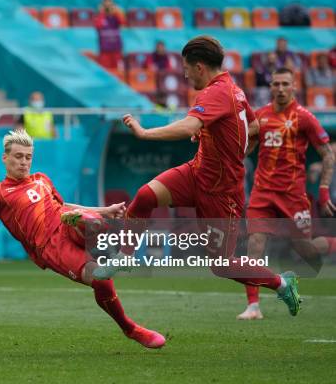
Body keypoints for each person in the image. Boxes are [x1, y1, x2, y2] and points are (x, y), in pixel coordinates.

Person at [117, 36, 302, 317]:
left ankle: (281, 283)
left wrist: (145, 133)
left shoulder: (215, 93)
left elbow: (190, 124)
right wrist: (224, 144)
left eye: (186, 67)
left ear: (200, 67)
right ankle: (124, 256)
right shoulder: (234, 90)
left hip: (222, 192)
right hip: (197, 172)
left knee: (222, 266)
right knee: (145, 196)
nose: (184, 73)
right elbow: (253, 128)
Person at [0, 129, 166, 349]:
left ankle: (114, 251)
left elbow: (63, 207)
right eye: (18, 156)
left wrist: (105, 210)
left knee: (90, 221)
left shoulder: (41, 179)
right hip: (51, 246)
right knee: (102, 280)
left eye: (28, 157)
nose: (24, 162)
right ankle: (131, 328)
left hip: (67, 224)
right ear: (5, 158)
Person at [237, 67, 335, 320]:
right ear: (269, 87)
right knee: (255, 245)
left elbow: (327, 154)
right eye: (275, 84)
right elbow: (246, 149)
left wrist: (323, 191)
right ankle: (253, 306)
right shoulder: (261, 116)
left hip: (292, 195)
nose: (280, 88)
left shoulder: (305, 118)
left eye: (285, 84)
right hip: (262, 192)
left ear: (294, 87)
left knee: (306, 249)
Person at [94, 0, 125, 71]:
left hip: (117, 50)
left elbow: (122, 22)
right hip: (104, 50)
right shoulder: (99, 17)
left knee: (118, 72)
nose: (108, 7)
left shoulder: (117, 16)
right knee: (105, 71)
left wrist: (116, 12)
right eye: (106, 5)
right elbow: (98, 25)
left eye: (110, 5)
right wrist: (102, 13)